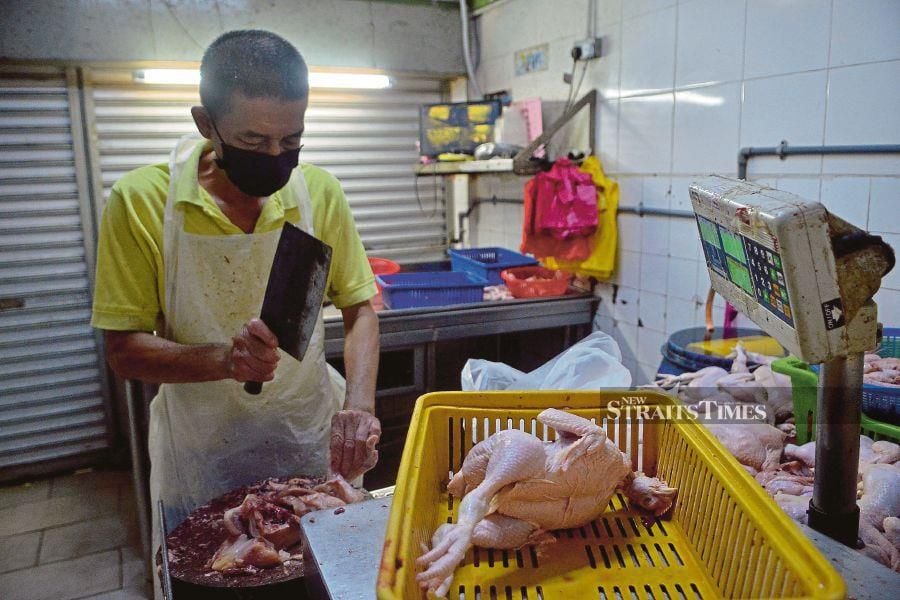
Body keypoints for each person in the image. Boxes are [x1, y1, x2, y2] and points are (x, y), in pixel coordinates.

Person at [90, 30, 381, 563]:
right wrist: (224, 359)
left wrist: (359, 407)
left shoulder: (319, 193)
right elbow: (123, 349)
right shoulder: (142, 201)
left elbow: (361, 307)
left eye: (291, 141)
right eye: (252, 142)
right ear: (207, 125)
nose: (274, 156)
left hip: (306, 439)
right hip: (202, 455)